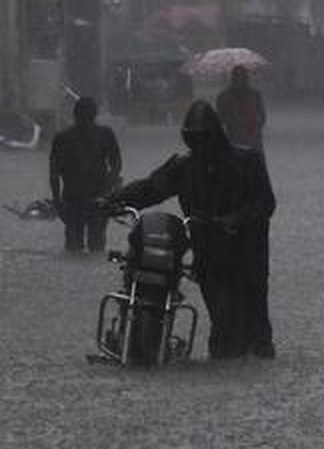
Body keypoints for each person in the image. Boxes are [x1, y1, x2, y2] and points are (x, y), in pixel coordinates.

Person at [108, 100, 276, 359]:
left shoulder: (247, 161)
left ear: (217, 136)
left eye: (205, 139)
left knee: (256, 322)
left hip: (247, 256)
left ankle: (256, 357)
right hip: (210, 256)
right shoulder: (184, 167)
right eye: (195, 140)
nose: (201, 146)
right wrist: (114, 199)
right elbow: (152, 188)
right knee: (223, 321)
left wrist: (234, 219)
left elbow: (265, 202)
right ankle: (225, 360)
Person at [49, 97, 122, 253]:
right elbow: (116, 164)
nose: (85, 122)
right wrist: (110, 187)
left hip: (90, 199)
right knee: (89, 246)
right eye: (83, 117)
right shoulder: (64, 138)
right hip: (81, 199)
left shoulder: (103, 135)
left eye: (86, 117)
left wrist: (57, 201)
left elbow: (116, 164)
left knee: (80, 246)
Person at [215, 65, 266, 151]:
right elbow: (220, 117)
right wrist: (231, 122)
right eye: (237, 76)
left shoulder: (255, 95)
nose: (239, 79)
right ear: (233, 78)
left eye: (241, 76)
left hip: (253, 139)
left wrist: (256, 129)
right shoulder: (225, 96)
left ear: (246, 78)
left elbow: (262, 116)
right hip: (234, 137)